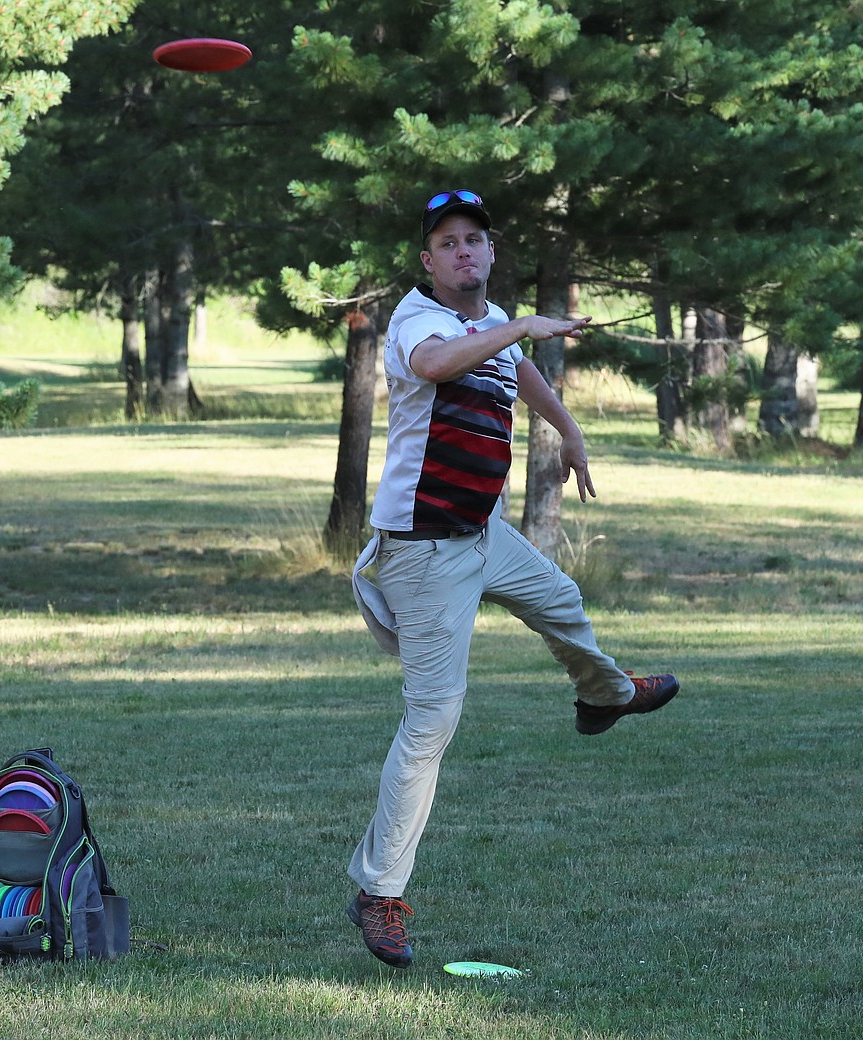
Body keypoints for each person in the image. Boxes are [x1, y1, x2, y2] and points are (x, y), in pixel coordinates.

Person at [346, 189, 680, 969]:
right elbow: (439, 365)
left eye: (475, 240)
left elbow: (518, 370)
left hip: (478, 535)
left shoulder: (486, 331)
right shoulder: (420, 322)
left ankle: (604, 696)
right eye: (448, 243)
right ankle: (379, 891)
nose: (464, 251)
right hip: (422, 549)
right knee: (432, 721)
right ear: (430, 262)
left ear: (491, 254)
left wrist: (570, 431)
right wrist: (523, 323)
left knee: (561, 598)